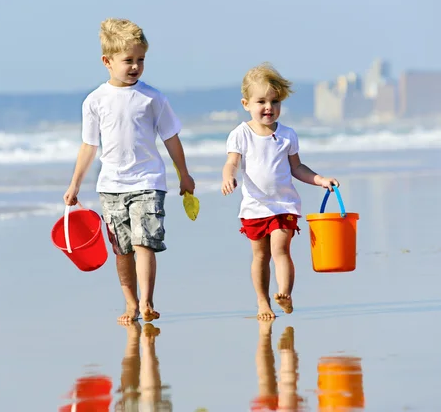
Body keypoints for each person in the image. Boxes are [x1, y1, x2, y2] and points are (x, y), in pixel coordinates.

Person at [63, 18, 195, 325]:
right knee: (122, 249)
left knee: (143, 242)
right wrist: (75, 185)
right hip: (111, 186)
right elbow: (88, 147)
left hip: (148, 181)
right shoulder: (94, 101)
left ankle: (148, 301)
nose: (135, 66)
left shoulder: (153, 98)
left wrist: (183, 174)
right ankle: (131, 303)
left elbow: (171, 138)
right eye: (128, 60)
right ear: (107, 62)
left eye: (141, 60)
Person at [221, 63, 339, 320]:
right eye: (261, 101)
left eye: (275, 101)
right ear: (246, 104)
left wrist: (319, 179)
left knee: (280, 249)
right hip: (254, 207)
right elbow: (232, 162)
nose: (268, 107)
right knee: (260, 255)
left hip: (284, 204)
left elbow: (297, 167)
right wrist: (228, 176)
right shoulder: (240, 134)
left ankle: (284, 293)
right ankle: (263, 301)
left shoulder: (287, 135)